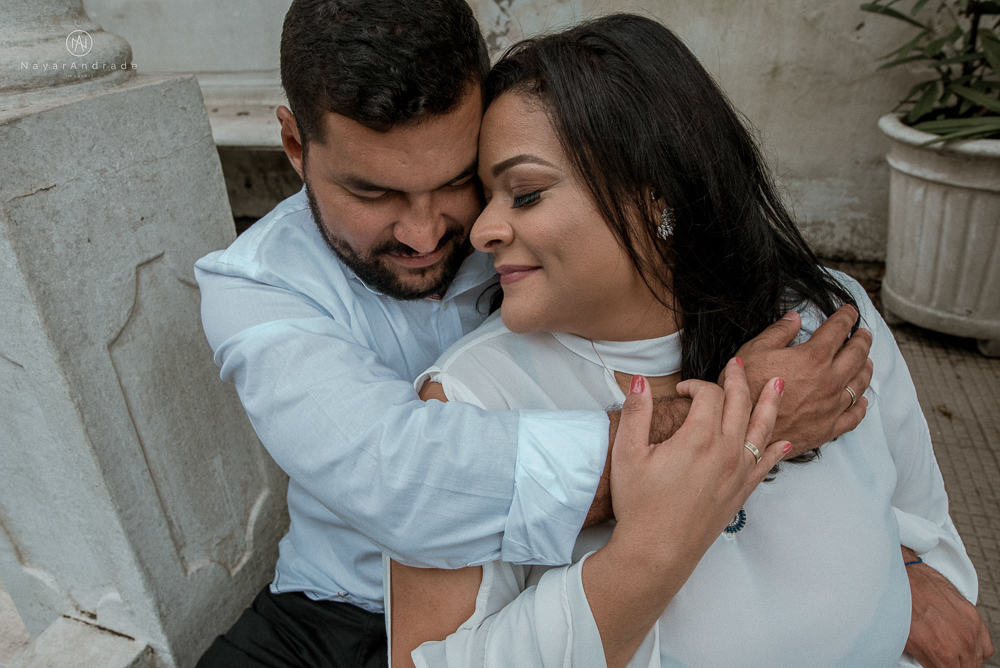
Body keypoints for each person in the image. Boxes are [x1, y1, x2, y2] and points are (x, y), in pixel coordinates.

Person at [191, 1, 983, 666]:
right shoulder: (255, 287)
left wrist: (893, 557)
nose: (435, 233)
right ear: (296, 147)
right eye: (373, 193)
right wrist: (743, 418)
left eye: (461, 180)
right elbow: (409, 481)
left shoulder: (794, 307)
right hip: (334, 607)